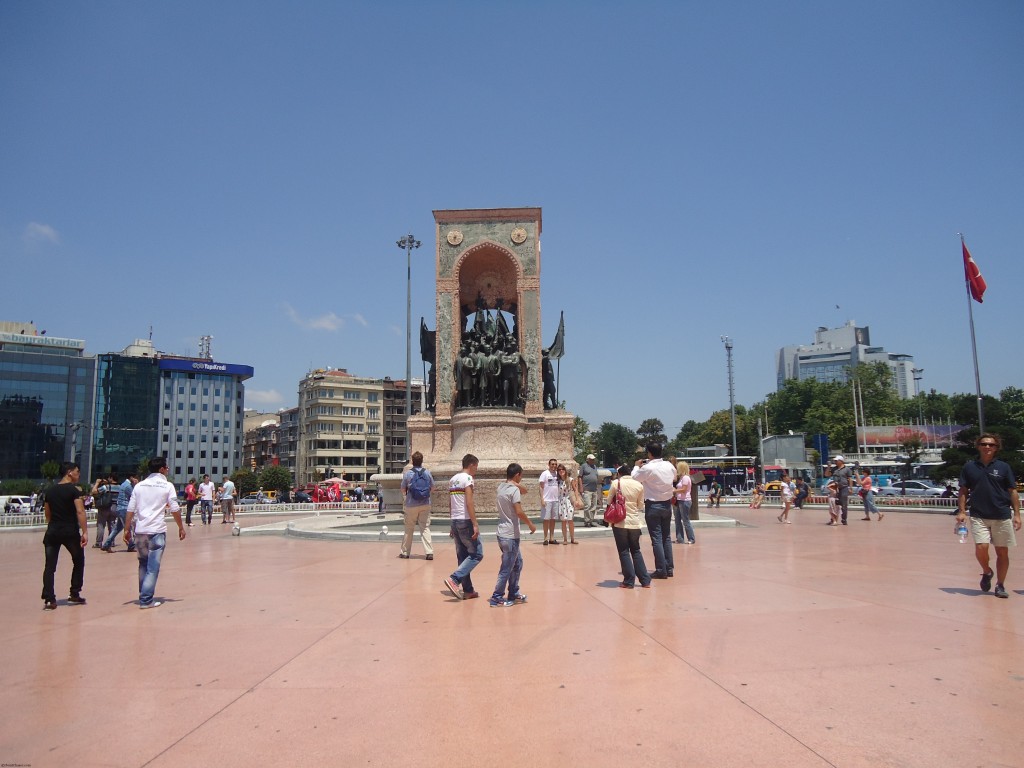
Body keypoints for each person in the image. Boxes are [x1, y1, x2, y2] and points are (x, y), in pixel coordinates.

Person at [956, 433, 1021, 599]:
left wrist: (1017, 514)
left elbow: (1012, 491)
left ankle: (1000, 585)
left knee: (1002, 552)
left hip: (1001, 514)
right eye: (984, 444)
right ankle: (987, 571)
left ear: (996, 448)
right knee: (981, 547)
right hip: (979, 514)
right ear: (978, 446)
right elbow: (963, 490)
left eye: (991, 445)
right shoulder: (969, 467)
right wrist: (962, 511)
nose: (987, 447)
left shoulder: (1004, 467)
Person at [125, 457, 186, 609]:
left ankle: (143, 594)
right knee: (153, 567)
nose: (168, 469)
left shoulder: (139, 485)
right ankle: (146, 600)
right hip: (157, 531)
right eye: (166, 467)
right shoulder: (167, 485)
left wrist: (126, 529)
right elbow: (174, 508)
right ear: (161, 469)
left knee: (143, 564)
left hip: (140, 531)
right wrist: (181, 527)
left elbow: (131, 509)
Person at [41, 461, 89, 610]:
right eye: (77, 471)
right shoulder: (74, 491)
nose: (78, 474)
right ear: (69, 472)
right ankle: (74, 593)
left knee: (50, 566)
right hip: (69, 532)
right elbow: (80, 511)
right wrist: (85, 531)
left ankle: (49, 599)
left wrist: (54, 524)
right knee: (78, 560)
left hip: (53, 531)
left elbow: (47, 513)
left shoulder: (50, 491)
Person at [489, 463, 536, 606]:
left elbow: (525, 490)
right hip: (510, 535)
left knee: (517, 563)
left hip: (502, 533)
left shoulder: (501, 487)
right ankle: (496, 597)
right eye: (521, 476)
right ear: (517, 475)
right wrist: (530, 523)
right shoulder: (514, 490)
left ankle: (513, 592)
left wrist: (515, 483)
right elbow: (519, 511)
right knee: (507, 568)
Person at [632, 442, 676, 579]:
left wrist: (636, 466)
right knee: (666, 537)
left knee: (656, 538)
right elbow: (674, 477)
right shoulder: (669, 465)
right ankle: (669, 568)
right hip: (666, 504)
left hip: (653, 505)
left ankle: (661, 569)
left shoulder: (648, 468)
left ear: (649, 453)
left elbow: (634, 478)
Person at [443, 454, 483, 600]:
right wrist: (475, 523)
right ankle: (455, 579)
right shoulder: (468, 479)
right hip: (465, 521)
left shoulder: (453, 479)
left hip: (455, 520)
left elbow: (450, 503)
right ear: (471, 464)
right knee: (477, 554)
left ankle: (468, 590)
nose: (476, 470)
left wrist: (451, 523)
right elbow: (469, 503)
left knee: (463, 556)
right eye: (476, 467)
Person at [610, 465, 651, 588]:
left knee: (624, 551)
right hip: (634, 522)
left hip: (620, 522)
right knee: (636, 550)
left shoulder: (616, 483)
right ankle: (645, 580)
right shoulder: (639, 485)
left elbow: (608, 501)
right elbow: (640, 505)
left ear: (619, 473)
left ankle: (629, 580)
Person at [399, 451, 434, 560]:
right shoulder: (427, 473)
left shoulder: (408, 474)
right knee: (425, 527)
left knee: (409, 528)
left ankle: (405, 552)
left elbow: (403, 489)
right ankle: (429, 552)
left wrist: (407, 496)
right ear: (422, 461)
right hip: (425, 503)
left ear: (413, 461)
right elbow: (433, 487)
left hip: (411, 504)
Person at [101, 472, 138, 552]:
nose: (136, 479)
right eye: (135, 478)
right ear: (131, 477)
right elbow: (135, 495)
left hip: (120, 508)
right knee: (127, 527)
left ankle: (107, 544)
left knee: (117, 529)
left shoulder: (124, 484)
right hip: (125, 509)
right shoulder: (128, 486)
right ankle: (131, 545)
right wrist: (136, 485)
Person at [90, 474, 118, 548]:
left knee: (101, 525)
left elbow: (94, 491)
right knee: (112, 525)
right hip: (115, 508)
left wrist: (97, 483)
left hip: (104, 508)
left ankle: (98, 543)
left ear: (111, 478)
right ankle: (111, 542)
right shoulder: (120, 487)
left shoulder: (106, 487)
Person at [538, 458, 561, 545]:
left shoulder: (557, 474)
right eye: (552, 464)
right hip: (547, 500)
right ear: (549, 465)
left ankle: (552, 538)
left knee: (553, 519)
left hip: (555, 500)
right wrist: (542, 499)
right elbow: (541, 486)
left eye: (555, 464)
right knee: (546, 519)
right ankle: (545, 538)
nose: (554, 466)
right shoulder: (545, 474)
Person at [673, 460, 696, 544]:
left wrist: (674, 491)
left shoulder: (686, 478)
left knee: (685, 520)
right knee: (677, 520)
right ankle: (680, 538)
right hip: (679, 500)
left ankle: (691, 539)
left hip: (684, 501)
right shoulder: (682, 478)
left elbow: (684, 489)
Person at [557, 463, 578, 544]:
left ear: (565, 470)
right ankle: (565, 539)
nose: (561, 471)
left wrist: (576, 499)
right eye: (559, 470)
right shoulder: (558, 481)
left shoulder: (570, 479)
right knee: (563, 521)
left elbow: (575, 489)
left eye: (562, 469)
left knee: (570, 520)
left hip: (568, 501)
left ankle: (572, 538)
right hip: (561, 501)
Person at [578, 453, 601, 527]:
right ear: (587, 459)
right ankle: (587, 521)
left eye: (593, 459)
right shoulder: (583, 466)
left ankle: (591, 520)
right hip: (586, 489)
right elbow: (580, 477)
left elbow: (596, 476)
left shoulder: (594, 466)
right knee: (588, 505)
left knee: (594, 506)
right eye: (591, 459)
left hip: (594, 489)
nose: (593, 460)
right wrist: (581, 487)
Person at [830, 456, 854, 525]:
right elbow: (827, 474)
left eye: (836, 461)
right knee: (833, 505)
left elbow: (850, 479)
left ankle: (844, 519)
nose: (835, 462)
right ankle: (833, 519)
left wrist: (850, 488)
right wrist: (828, 467)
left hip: (844, 488)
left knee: (843, 505)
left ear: (841, 461)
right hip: (835, 488)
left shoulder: (847, 469)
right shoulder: (834, 469)